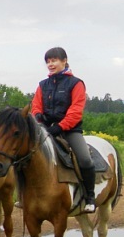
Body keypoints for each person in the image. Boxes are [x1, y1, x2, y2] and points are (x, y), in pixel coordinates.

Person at [32, 46, 96, 212]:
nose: (50, 64)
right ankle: (26, 195)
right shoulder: (42, 85)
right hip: (45, 129)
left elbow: (75, 111)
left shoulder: (76, 83)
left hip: (70, 130)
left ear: (64, 61)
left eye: (54, 60)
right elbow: (36, 106)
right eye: (48, 61)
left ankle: (90, 196)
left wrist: (60, 127)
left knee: (84, 159)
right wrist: (39, 118)